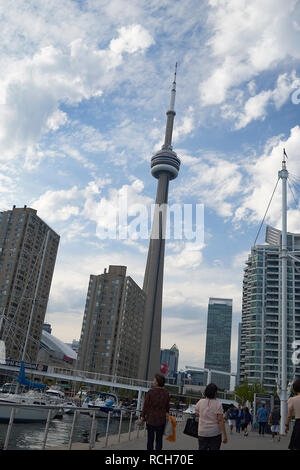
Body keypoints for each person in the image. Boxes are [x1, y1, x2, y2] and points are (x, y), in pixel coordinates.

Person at [137, 373, 170, 451]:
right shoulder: (166, 393)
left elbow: (145, 407)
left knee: (150, 440)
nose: (153, 381)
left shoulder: (150, 392)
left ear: (157, 382)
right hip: (161, 420)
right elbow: (167, 408)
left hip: (150, 420)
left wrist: (142, 418)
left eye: (154, 380)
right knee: (159, 440)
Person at [195, 383, 228, 450]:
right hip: (214, 433)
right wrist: (224, 435)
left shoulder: (200, 402)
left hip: (202, 432)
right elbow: (220, 420)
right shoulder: (218, 404)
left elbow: (196, 413)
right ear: (215, 393)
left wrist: (203, 415)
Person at [286, 378, 300, 450]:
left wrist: (286, 425)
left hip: (298, 424)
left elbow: (289, 415)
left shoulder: (292, 400)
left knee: (296, 446)